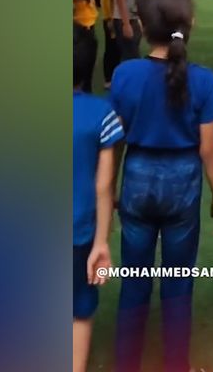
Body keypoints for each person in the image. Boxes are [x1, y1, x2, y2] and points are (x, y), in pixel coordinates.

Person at [109, 0, 213, 372]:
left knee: (134, 278)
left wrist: (109, 190)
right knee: (178, 282)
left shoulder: (125, 73)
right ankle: (176, 363)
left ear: (143, 27)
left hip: (138, 177)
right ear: (190, 23)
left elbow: (115, 141)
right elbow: (208, 148)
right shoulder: (203, 79)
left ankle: (125, 363)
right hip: (183, 182)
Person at [72, 25, 122, 372]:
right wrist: (102, 242)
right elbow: (104, 185)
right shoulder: (102, 114)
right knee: (79, 309)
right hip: (79, 232)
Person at [98, 0, 123, 88]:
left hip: (123, 20)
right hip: (112, 20)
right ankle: (108, 78)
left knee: (120, 49)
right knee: (111, 50)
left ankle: (118, 77)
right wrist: (108, 19)